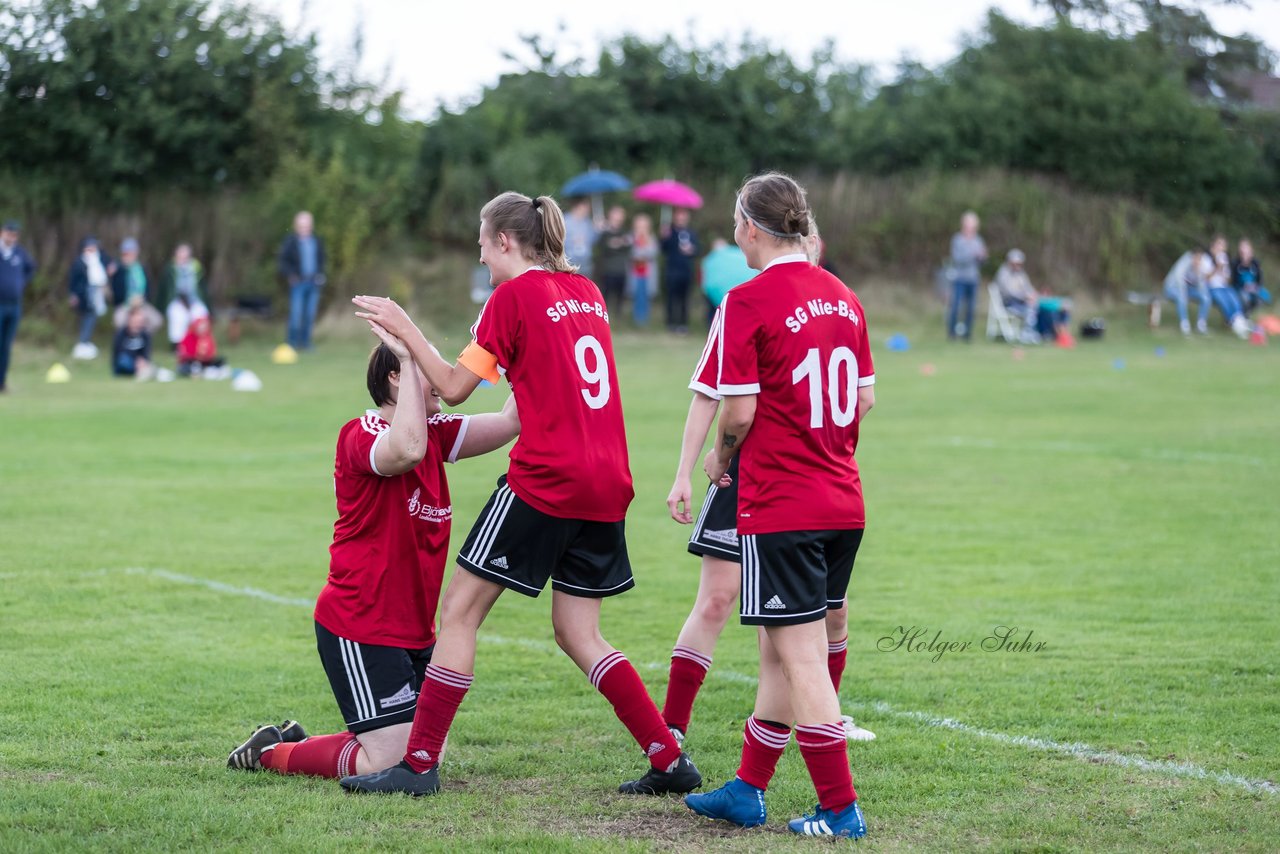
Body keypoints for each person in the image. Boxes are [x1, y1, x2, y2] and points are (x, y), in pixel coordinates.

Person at [339, 192, 700, 798]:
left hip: (547, 479)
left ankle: (418, 766)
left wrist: (406, 330)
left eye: (482, 244)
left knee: (458, 613)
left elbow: (452, 389)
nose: (481, 257)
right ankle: (669, 758)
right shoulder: (586, 292)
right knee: (579, 633)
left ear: (505, 241)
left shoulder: (510, 297)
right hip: (609, 480)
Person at [226, 323, 521, 780]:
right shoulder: (360, 433)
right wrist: (407, 356)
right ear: (397, 378)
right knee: (392, 760)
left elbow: (509, 423)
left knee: (420, 756)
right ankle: (269, 755)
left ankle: (304, 742)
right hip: (360, 625)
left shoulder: (435, 434)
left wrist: (530, 349)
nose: (441, 376)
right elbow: (404, 449)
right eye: (426, 368)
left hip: (414, 633)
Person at [682, 172, 874, 840]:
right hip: (842, 500)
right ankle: (747, 789)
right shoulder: (846, 298)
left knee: (800, 660)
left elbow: (738, 410)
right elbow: (864, 400)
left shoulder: (747, 300)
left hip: (784, 504)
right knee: (778, 653)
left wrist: (720, 458)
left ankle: (839, 808)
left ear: (751, 227)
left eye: (736, 221)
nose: (735, 233)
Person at [278, 211, 327, 351]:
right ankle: (291, 344)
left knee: (309, 316)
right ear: (296, 226)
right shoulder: (290, 242)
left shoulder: (317, 241)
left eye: (307, 226)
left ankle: (306, 344)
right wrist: (291, 275)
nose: (304, 229)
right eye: (301, 226)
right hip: (298, 284)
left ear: (311, 226)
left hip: (313, 283)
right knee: (296, 315)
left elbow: (322, 260)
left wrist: (321, 274)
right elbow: (283, 262)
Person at [0, 220, 36, 393]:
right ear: (2, 233)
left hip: (14, 306)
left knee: (6, 346)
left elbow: (31, 268)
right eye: (9, 233)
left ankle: (2, 383)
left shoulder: (19, 253)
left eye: (15, 235)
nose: (12, 237)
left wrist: (21, 282)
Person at [68, 237, 115, 360]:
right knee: (86, 318)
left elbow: (110, 263)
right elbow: (73, 281)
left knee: (91, 318)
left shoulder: (100, 259)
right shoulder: (79, 262)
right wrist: (73, 295)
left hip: (96, 295)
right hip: (84, 296)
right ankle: (83, 342)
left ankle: (85, 342)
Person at [159, 243, 209, 350]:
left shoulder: (196, 268)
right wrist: (161, 308)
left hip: (194, 301)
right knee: (178, 316)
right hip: (177, 301)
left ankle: (200, 344)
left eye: (185, 256)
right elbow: (163, 291)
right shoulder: (170, 269)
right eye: (180, 256)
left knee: (201, 314)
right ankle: (177, 346)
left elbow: (204, 290)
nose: (183, 259)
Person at [947, 211, 987, 340]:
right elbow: (957, 259)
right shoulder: (957, 239)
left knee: (971, 309)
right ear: (964, 225)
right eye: (968, 224)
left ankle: (967, 335)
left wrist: (982, 257)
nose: (971, 227)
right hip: (959, 278)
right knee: (956, 307)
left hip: (973, 279)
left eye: (973, 225)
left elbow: (982, 262)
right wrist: (973, 255)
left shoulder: (978, 240)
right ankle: (951, 334)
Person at [111, 238, 163, 333]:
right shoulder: (118, 269)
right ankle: (126, 340)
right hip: (125, 304)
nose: (129, 256)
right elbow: (116, 293)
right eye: (126, 253)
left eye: (131, 253)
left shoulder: (143, 268)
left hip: (142, 304)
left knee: (156, 320)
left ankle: (142, 338)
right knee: (119, 321)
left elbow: (149, 290)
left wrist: (142, 300)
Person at [699, 237, 753, 329]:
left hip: (715, 292)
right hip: (731, 293)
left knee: (714, 312)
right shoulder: (738, 255)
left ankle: (714, 329)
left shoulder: (709, 260)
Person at [660, 208, 700, 334]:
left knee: (684, 299)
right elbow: (663, 249)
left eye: (684, 217)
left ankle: (683, 324)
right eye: (679, 217)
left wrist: (691, 250)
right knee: (671, 298)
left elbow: (697, 250)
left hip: (686, 271)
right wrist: (664, 237)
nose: (681, 219)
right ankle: (671, 323)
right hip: (672, 271)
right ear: (675, 218)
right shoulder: (669, 232)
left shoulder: (691, 233)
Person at [1206, 236, 1251, 339]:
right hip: (1212, 288)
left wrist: (1223, 271)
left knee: (1234, 298)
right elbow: (1206, 279)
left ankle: (1239, 320)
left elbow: (1227, 280)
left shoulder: (1223, 257)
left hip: (1223, 286)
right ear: (1213, 245)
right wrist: (1217, 267)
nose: (1221, 247)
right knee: (1224, 301)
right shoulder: (1207, 257)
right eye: (1219, 244)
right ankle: (1235, 323)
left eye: (1223, 245)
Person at [1163, 247, 1212, 336]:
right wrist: (1184, 294)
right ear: (1192, 257)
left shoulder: (1201, 264)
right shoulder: (1185, 262)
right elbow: (1179, 280)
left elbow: (1201, 287)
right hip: (1173, 287)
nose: (1197, 260)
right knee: (1182, 298)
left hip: (1188, 289)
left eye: (1199, 258)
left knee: (1206, 298)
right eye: (1196, 258)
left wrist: (1198, 273)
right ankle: (1184, 325)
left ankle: (1201, 325)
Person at [994, 249, 1040, 342]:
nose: (1017, 266)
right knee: (1030, 308)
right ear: (1010, 262)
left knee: (1036, 306)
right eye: (1015, 263)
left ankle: (1033, 331)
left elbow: (1027, 287)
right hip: (1008, 302)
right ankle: (1026, 333)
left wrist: (1033, 294)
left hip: (1021, 302)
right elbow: (1009, 292)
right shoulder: (1003, 273)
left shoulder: (1021, 274)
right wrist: (1025, 297)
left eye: (1019, 263)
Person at [596, 205, 632, 318]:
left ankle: (618, 318)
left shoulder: (624, 232)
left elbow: (628, 247)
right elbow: (604, 247)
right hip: (608, 270)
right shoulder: (604, 233)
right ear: (610, 216)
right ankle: (604, 318)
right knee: (605, 296)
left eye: (620, 215)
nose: (618, 217)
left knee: (620, 297)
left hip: (621, 270)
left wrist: (617, 243)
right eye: (616, 214)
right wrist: (616, 244)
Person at [111, 305, 155, 379]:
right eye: (136, 321)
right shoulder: (121, 334)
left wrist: (143, 360)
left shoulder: (145, 335)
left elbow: (146, 352)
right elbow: (119, 352)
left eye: (140, 321)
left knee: (146, 365)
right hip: (124, 363)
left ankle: (144, 372)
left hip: (140, 363)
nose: (138, 324)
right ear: (130, 319)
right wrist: (136, 361)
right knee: (124, 361)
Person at [629, 213, 658, 327]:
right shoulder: (631, 237)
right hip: (635, 273)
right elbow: (631, 253)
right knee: (637, 295)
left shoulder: (651, 238)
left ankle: (645, 320)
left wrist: (642, 252)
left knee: (646, 296)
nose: (641, 228)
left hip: (647, 273)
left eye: (644, 225)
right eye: (639, 225)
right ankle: (637, 320)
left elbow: (653, 253)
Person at [563, 198, 598, 279]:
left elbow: (593, 241)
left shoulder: (587, 222)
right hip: (570, 261)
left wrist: (597, 230)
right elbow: (559, 239)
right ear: (577, 207)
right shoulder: (565, 220)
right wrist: (572, 240)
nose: (587, 211)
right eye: (585, 208)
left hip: (586, 262)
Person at [1232, 239, 1266, 317]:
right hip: (1239, 288)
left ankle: (1249, 314)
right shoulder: (1235, 262)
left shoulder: (1255, 263)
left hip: (1253, 287)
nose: (1244, 251)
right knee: (1245, 298)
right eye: (1242, 248)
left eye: (1246, 248)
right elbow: (1233, 281)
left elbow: (1260, 279)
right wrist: (1243, 287)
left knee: (1260, 300)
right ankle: (1243, 316)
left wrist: (1256, 286)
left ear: (1251, 251)